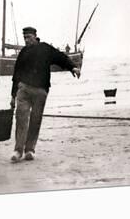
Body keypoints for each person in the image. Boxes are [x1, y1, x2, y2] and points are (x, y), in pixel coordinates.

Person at [10, 27, 81, 162]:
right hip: (23, 89)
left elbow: (61, 58)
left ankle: (30, 150)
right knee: (21, 119)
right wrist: (13, 95)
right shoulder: (23, 52)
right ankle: (18, 150)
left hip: (40, 91)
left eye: (29, 37)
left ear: (35, 37)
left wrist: (73, 67)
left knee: (35, 121)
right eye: (24, 38)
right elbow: (16, 74)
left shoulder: (45, 48)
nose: (26, 40)